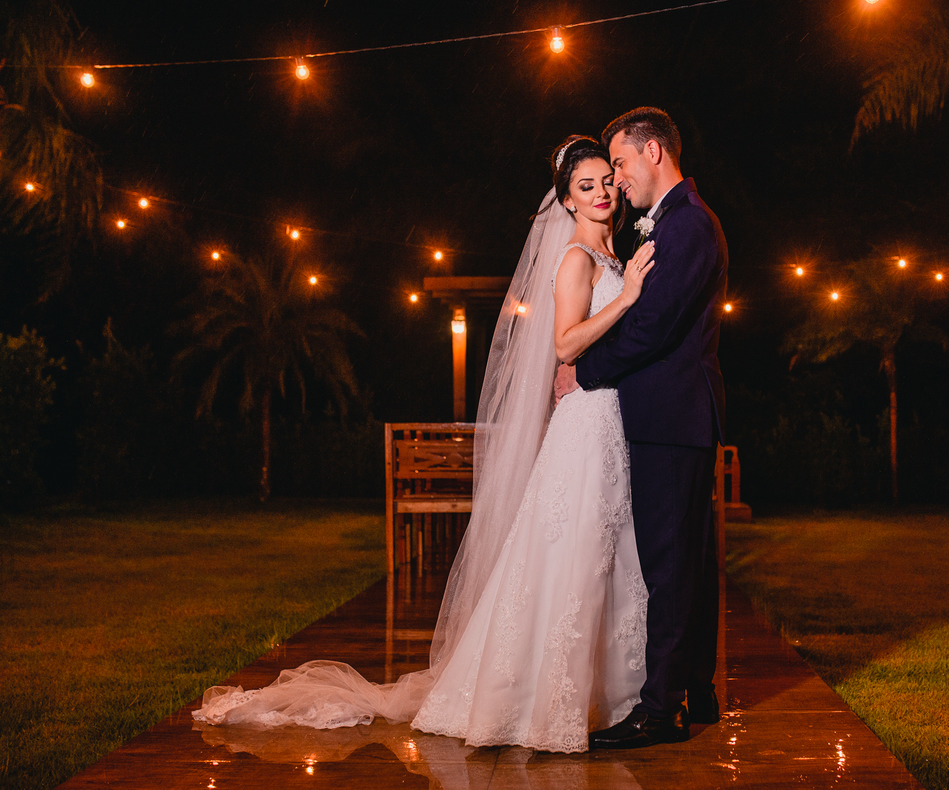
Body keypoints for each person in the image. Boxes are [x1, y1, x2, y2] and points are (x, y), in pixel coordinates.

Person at [192, 135, 658, 754]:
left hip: (606, 422)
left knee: (603, 552)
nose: (601, 194)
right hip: (584, 425)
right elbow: (567, 345)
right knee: (570, 551)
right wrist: (626, 299)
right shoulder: (576, 258)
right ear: (566, 200)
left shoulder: (612, 252)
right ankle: (540, 699)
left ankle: (607, 694)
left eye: (605, 182)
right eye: (585, 187)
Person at [554, 107, 728, 750]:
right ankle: (696, 691)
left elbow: (653, 329)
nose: (616, 181)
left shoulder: (687, 227)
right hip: (670, 416)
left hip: (671, 416)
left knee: (669, 563)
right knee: (684, 560)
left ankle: (661, 711)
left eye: (620, 164)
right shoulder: (675, 224)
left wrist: (586, 369)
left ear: (653, 152)